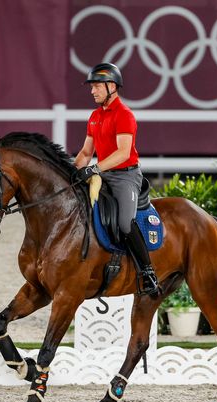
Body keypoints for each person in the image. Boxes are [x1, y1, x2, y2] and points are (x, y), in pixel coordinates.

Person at [74, 62, 159, 297]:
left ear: (111, 86)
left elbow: (123, 153)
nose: (92, 91)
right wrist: (72, 172)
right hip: (103, 173)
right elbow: (85, 153)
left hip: (125, 175)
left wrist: (94, 169)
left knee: (124, 222)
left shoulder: (124, 115)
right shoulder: (94, 116)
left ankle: (148, 272)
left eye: (96, 87)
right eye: (92, 87)